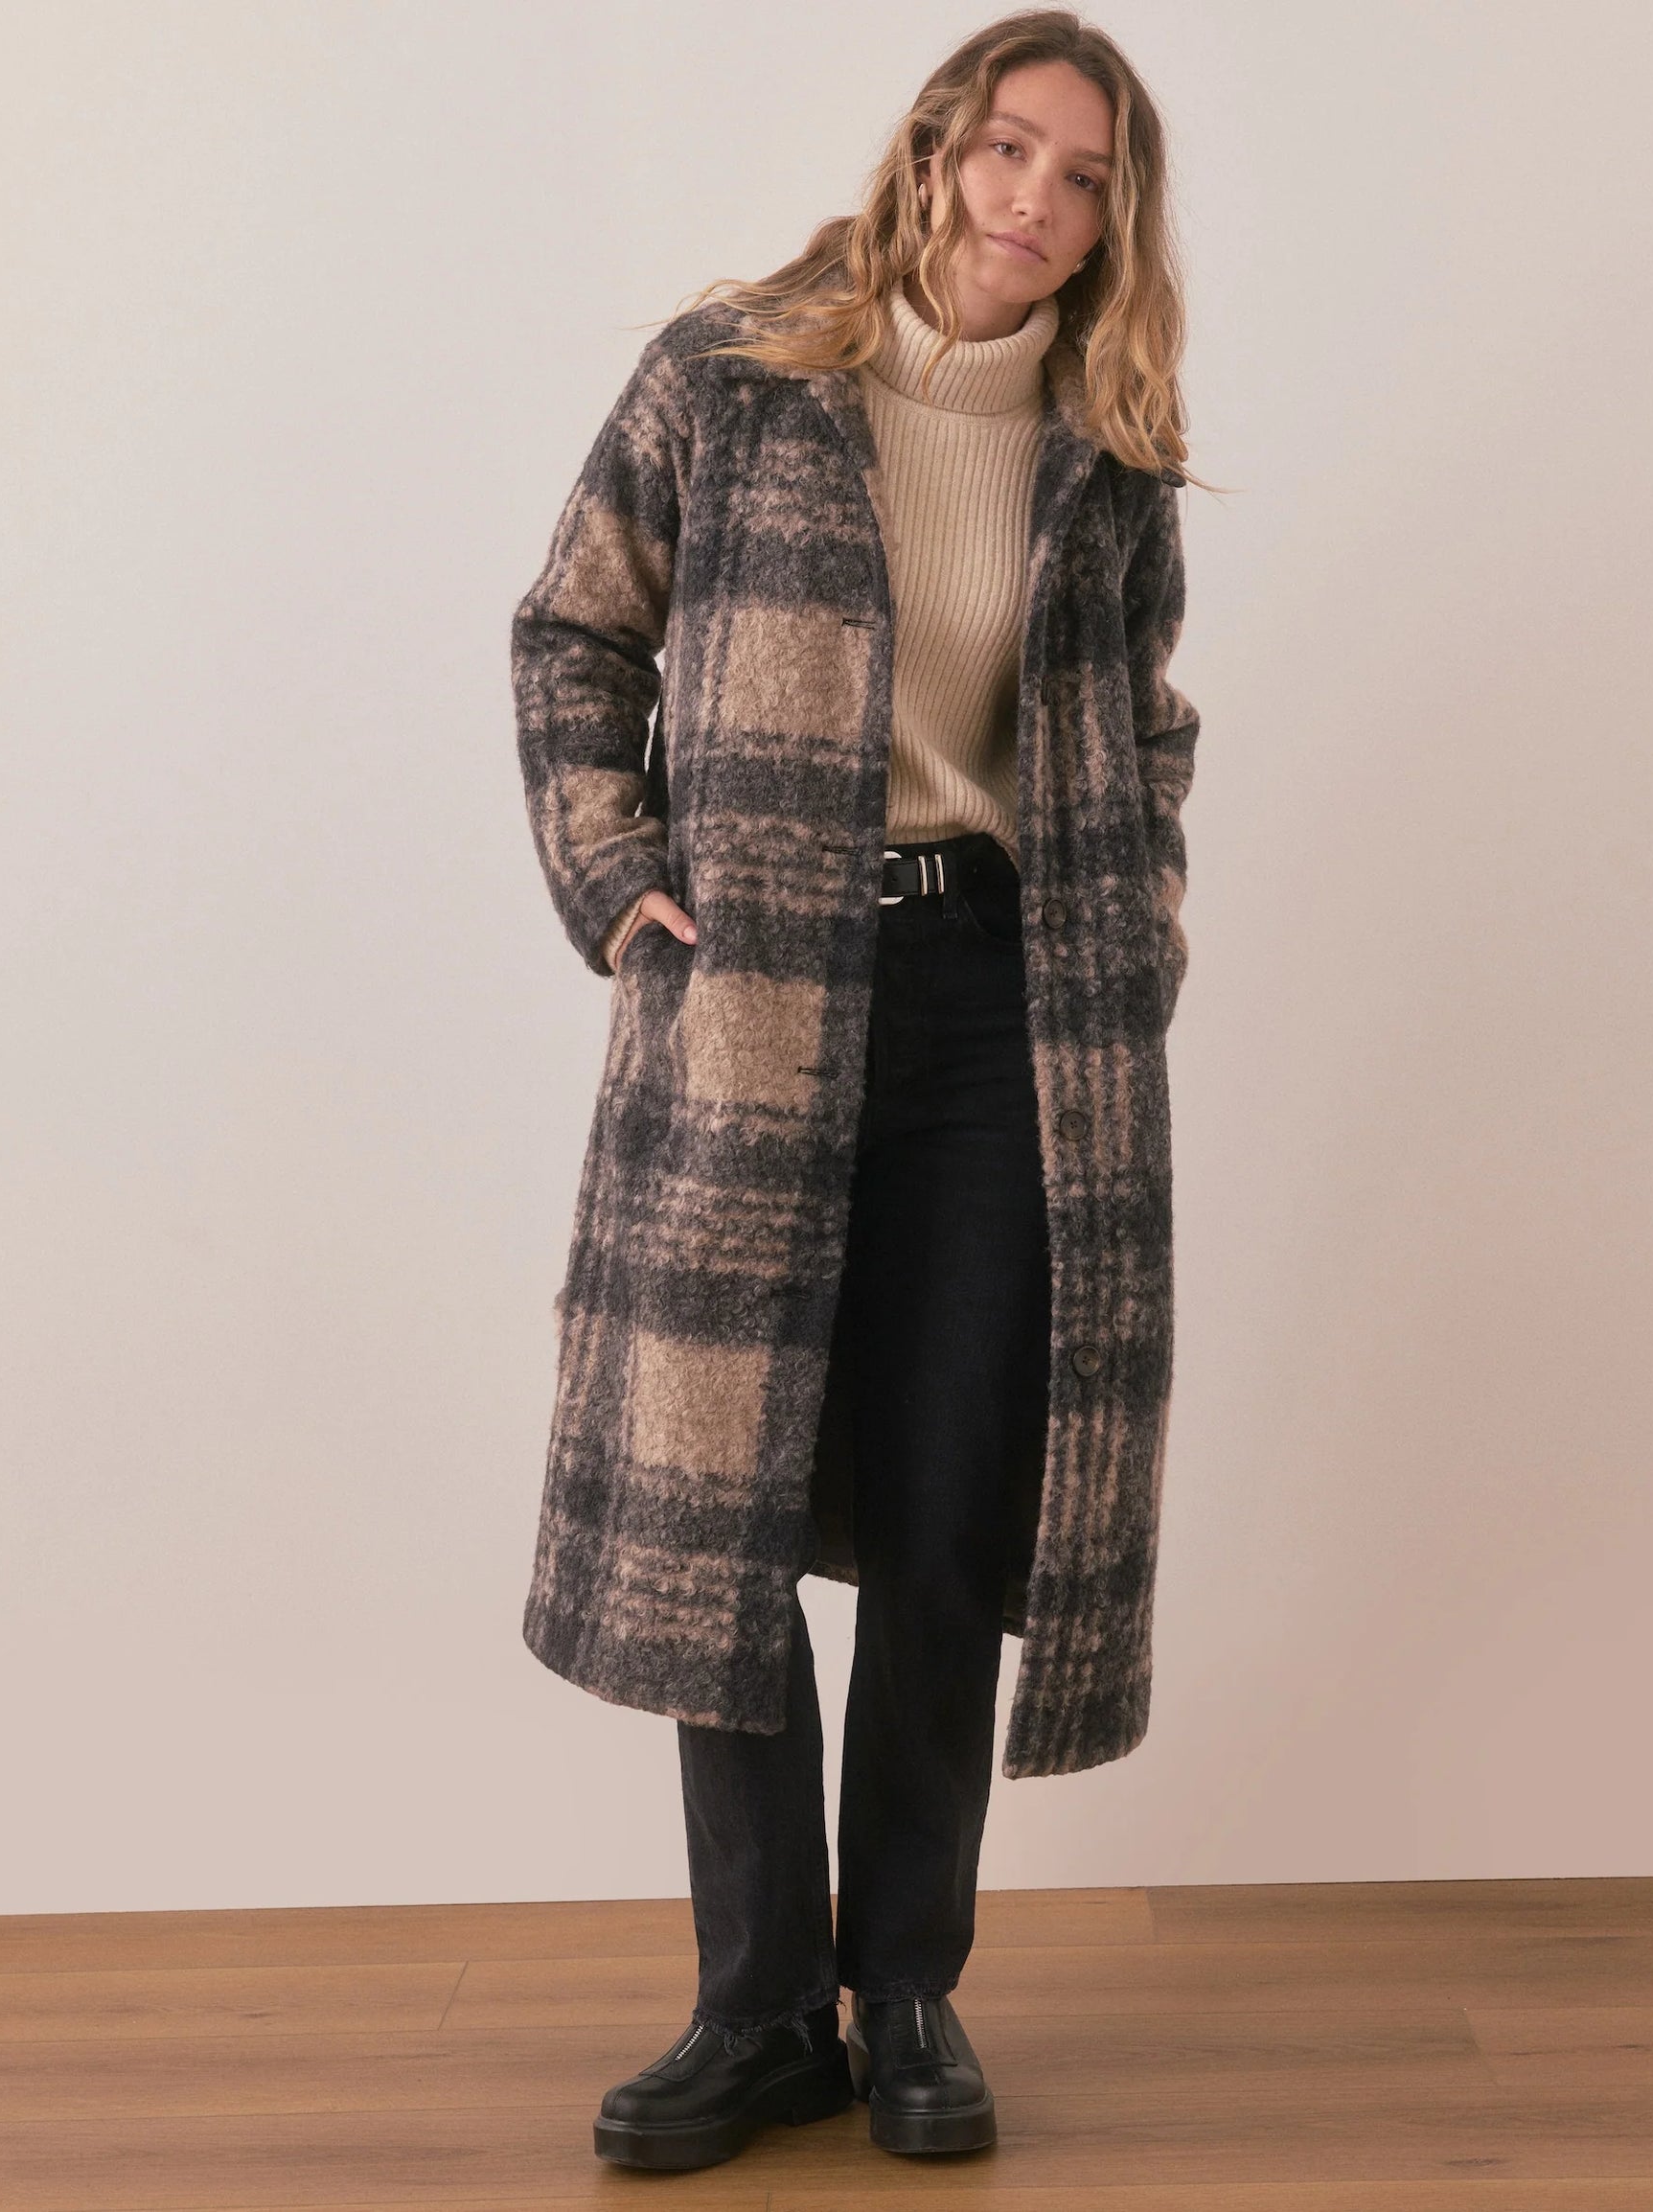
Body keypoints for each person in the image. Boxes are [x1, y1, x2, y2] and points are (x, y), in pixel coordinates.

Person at [508, 6, 1201, 2174]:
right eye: (1008, 150)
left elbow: (1145, 721)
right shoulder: (736, 375)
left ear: (1112, 225)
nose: (1035, 201)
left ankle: (903, 1987)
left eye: (1084, 179)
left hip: (1006, 1006)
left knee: (944, 1502)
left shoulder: (1104, 450)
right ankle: (754, 2008)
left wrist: (1142, 916)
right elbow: (571, 633)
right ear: (929, 152)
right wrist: (616, 877)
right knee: (719, 1507)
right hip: (757, 991)